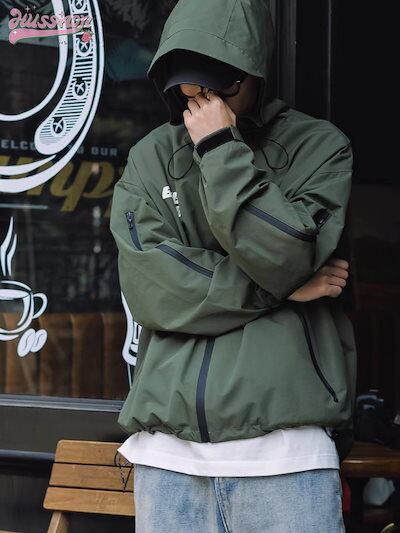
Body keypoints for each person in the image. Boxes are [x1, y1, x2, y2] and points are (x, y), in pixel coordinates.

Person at [110, 0, 357, 531]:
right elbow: (154, 287)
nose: (201, 103)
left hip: (286, 456)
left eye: (219, 88)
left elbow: (284, 256)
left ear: (253, 71)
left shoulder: (318, 147)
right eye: (189, 89)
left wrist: (221, 147)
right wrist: (278, 290)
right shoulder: (150, 158)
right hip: (167, 458)